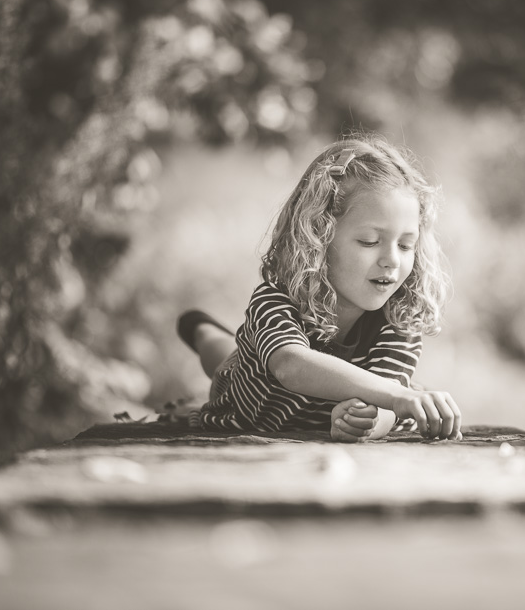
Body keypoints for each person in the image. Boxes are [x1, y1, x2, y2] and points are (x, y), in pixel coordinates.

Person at [176, 135, 462, 442]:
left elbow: (388, 404)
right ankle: (201, 328)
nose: (392, 259)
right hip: (249, 396)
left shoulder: (399, 316)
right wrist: (396, 396)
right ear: (320, 236)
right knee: (225, 358)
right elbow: (290, 365)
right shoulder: (276, 299)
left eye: (406, 245)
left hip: (317, 418)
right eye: (369, 241)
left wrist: (365, 421)